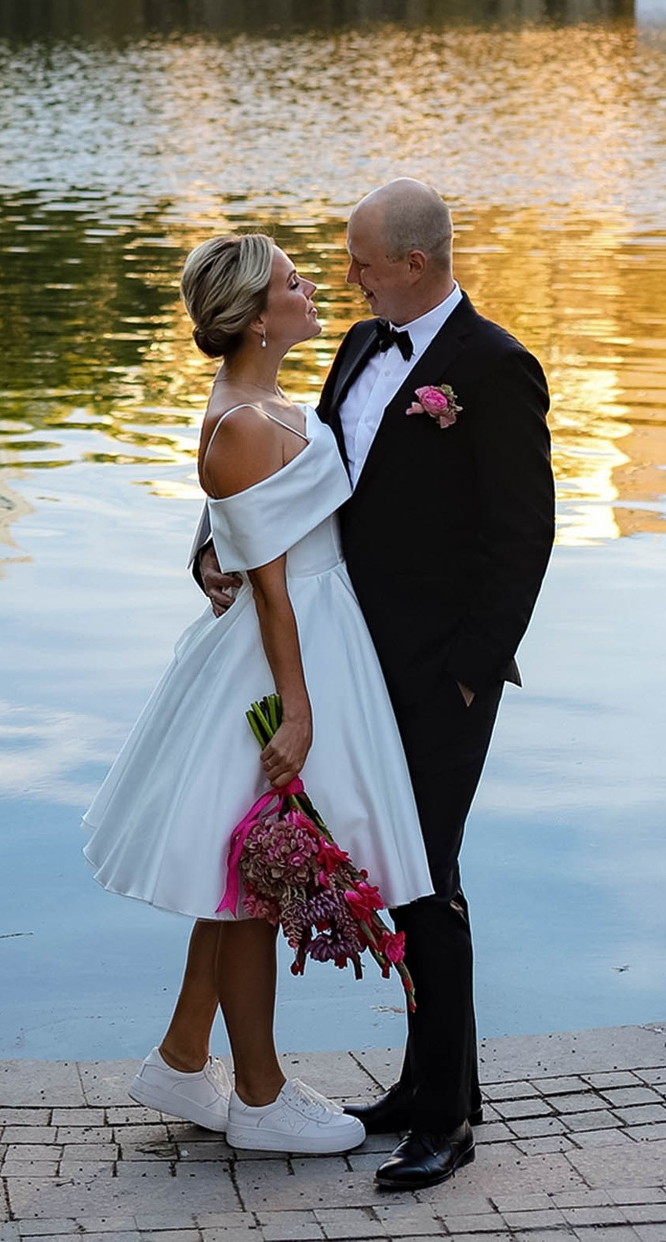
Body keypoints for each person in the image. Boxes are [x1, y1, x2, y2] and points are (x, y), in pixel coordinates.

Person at [193, 180, 555, 1191]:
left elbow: (522, 541)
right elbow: (285, 485)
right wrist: (211, 548)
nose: (344, 275)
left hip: (440, 678)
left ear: (416, 264)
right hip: (349, 664)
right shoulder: (358, 348)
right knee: (398, 874)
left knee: (426, 882)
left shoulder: (494, 368)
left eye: (359, 260)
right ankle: (420, 1088)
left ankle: (448, 1120)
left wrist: (472, 681)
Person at [87, 234, 431, 1159]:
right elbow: (271, 584)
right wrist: (299, 706)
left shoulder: (273, 399)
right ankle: (262, 1095)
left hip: (320, 626)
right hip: (283, 651)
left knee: (232, 869)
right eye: (290, 281)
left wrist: (208, 549)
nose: (309, 284)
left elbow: (239, 535)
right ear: (252, 314)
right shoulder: (241, 421)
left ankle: (181, 1054)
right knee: (250, 880)